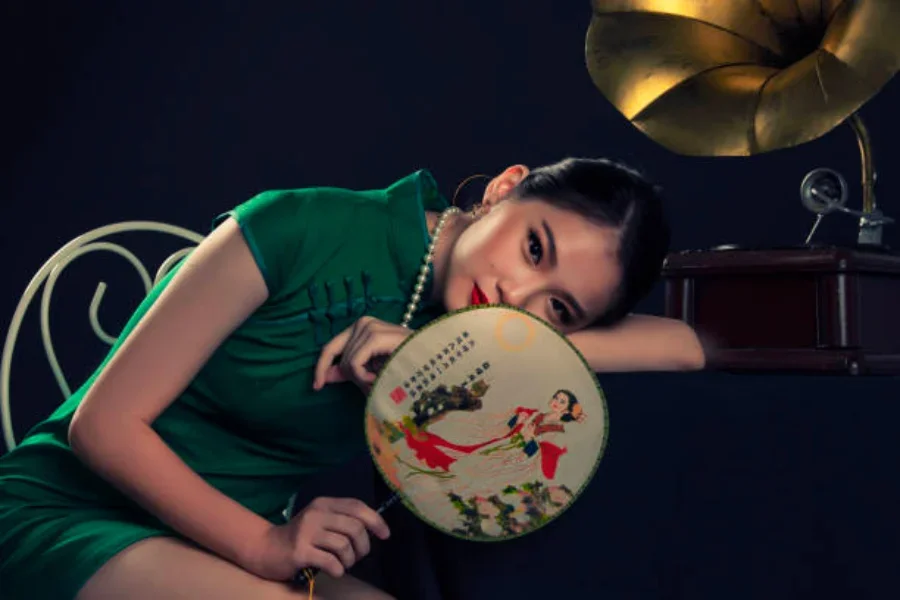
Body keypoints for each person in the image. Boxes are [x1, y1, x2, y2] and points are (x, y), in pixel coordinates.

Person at [0, 157, 705, 600]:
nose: (516, 298)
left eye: (557, 308)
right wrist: (266, 546)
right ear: (505, 189)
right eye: (533, 247)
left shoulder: (466, 330)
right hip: (69, 513)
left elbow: (682, 345)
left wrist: (447, 342)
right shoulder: (299, 224)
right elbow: (102, 426)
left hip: (209, 543)